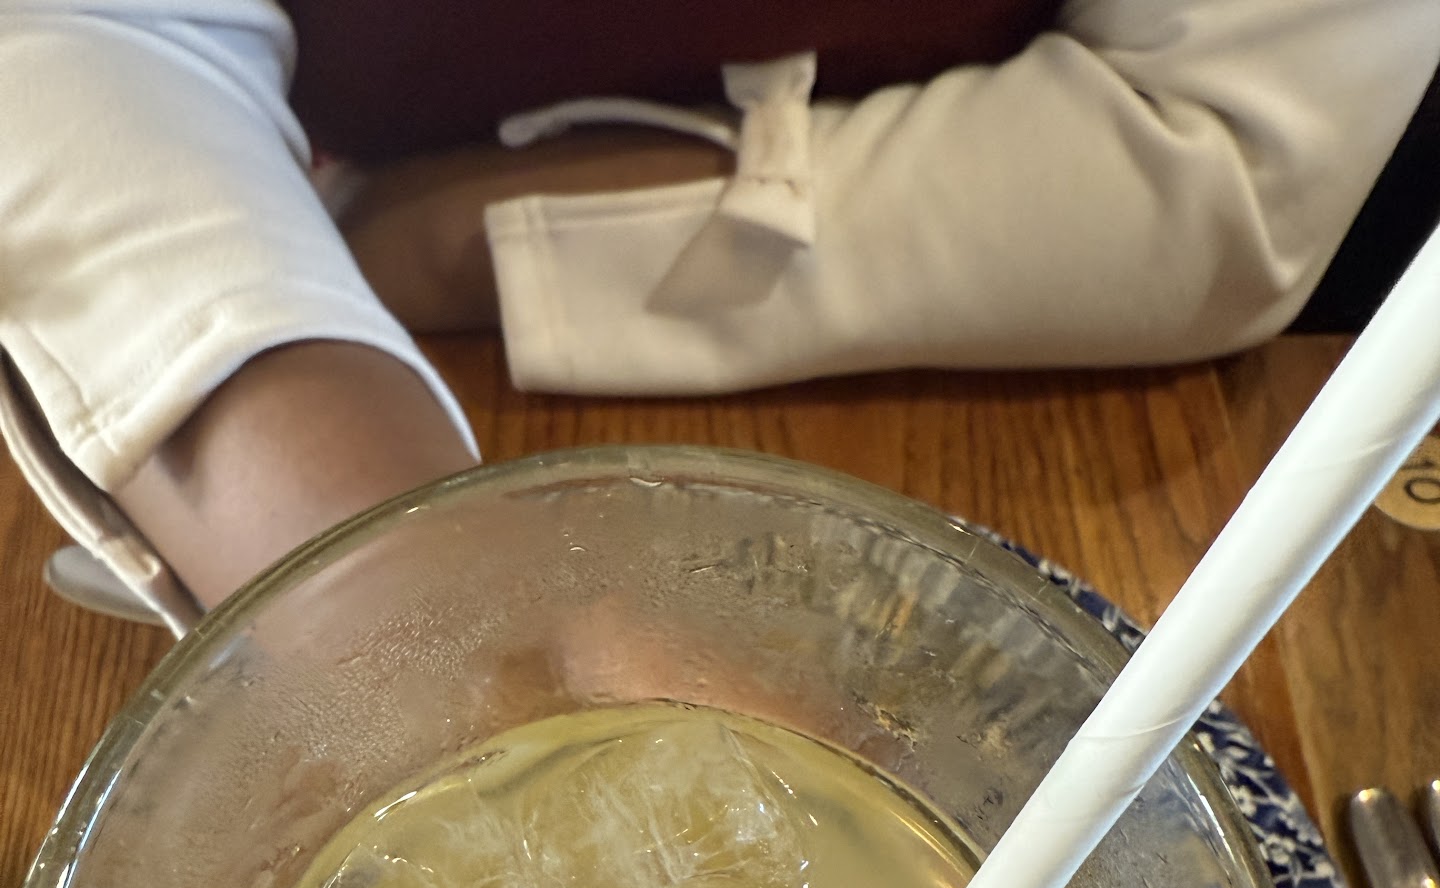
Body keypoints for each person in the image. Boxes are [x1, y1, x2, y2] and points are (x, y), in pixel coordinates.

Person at [1, 0, 1437, 619]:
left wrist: (441, 232)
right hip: (298, 304)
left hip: (1059, 404)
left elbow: (1216, 161)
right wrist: (407, 597)